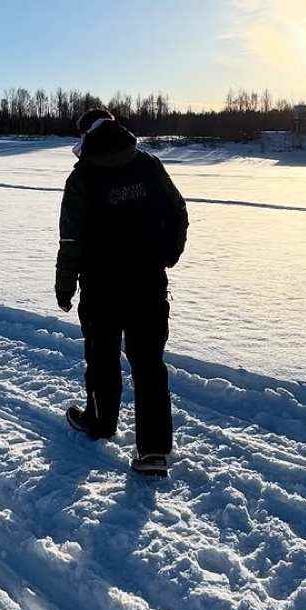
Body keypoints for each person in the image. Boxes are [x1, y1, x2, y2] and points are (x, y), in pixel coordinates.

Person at [55, 108, 189, 475]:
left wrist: (64, 283)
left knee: (101, 357)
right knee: (148, 364)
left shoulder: (82, 176)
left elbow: (71, 238)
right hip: (148, 282)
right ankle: (154, 450)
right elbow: (178, 211)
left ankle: (100, 421)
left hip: (101, 285)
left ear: (85, 136)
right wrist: (168, 256)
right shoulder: (148, 165)